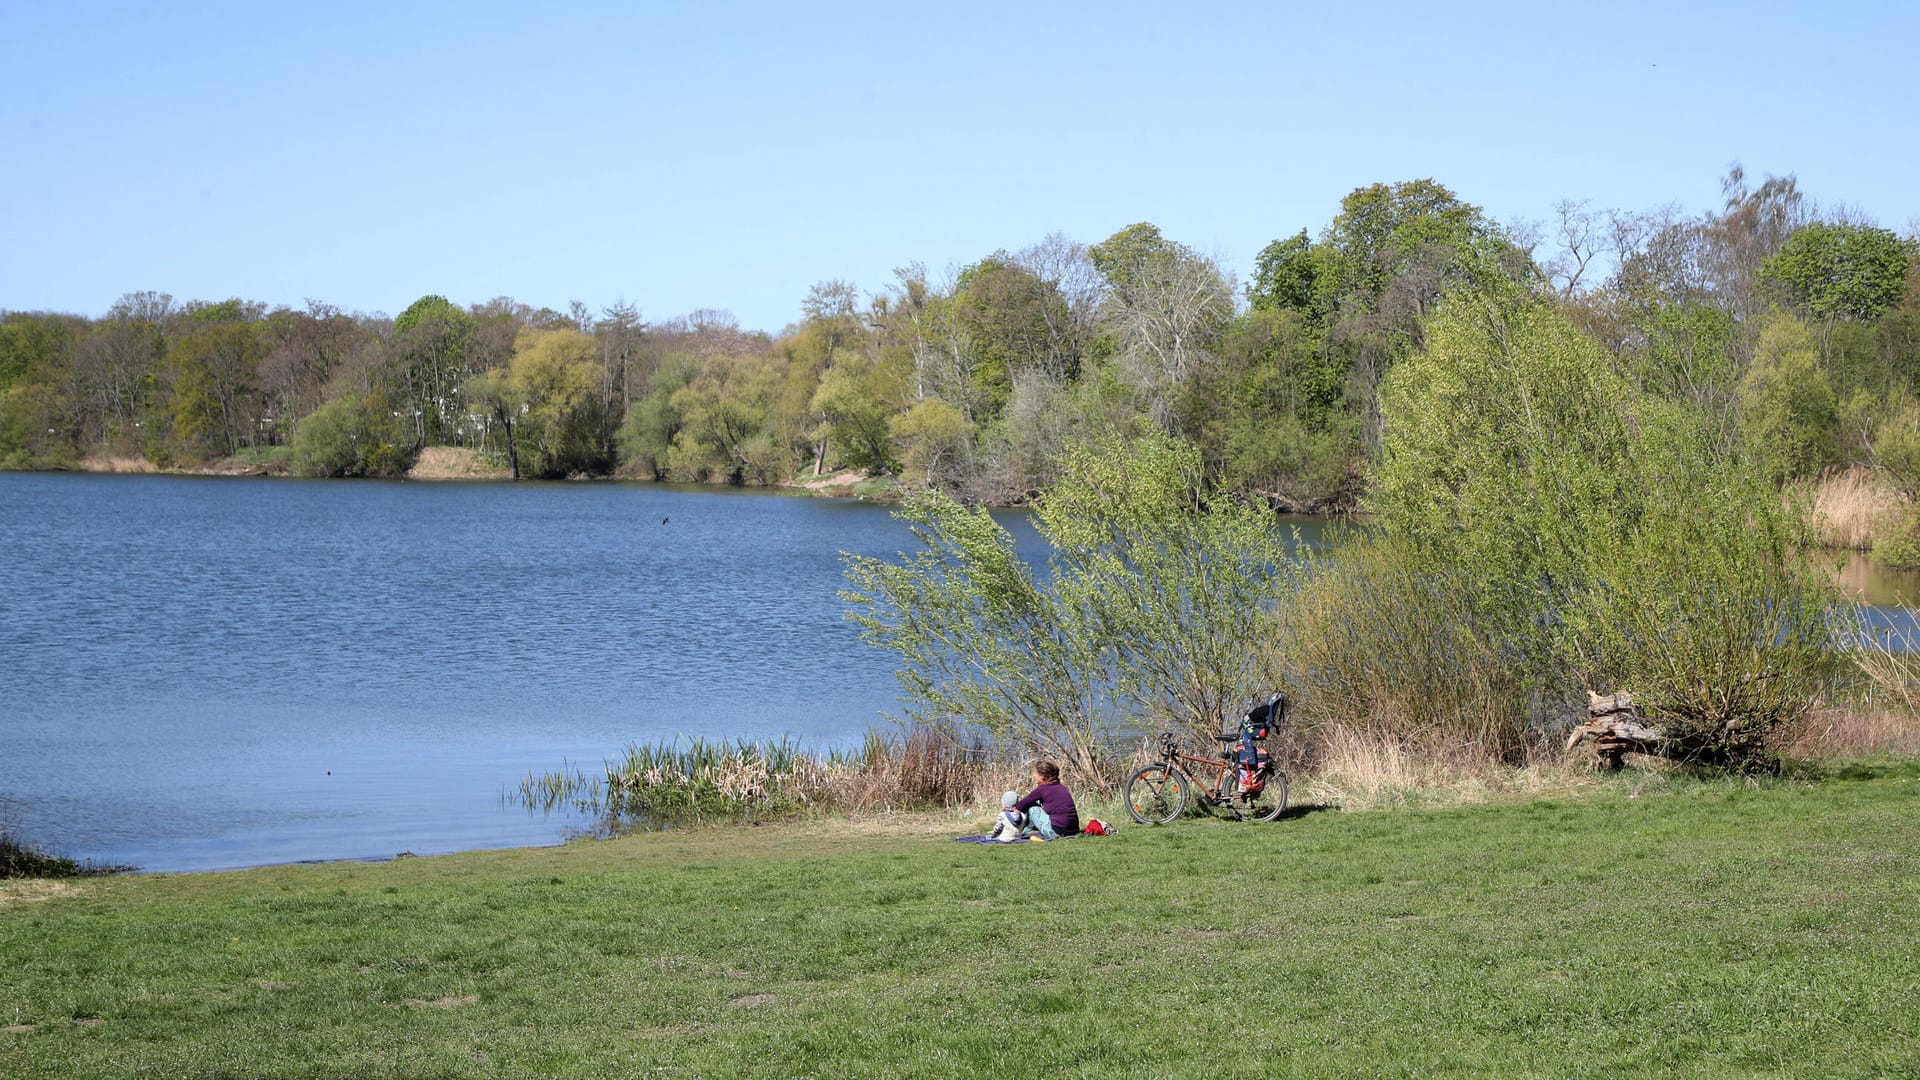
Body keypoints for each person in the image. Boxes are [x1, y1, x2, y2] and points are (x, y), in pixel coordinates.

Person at [1012, 760, 1079, 839]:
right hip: (1073, 831)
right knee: (1035, 802)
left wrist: (1010, 809)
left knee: (1032, 808)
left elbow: (1021, 805)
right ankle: (1024, 830)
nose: (1034, 775)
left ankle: (1016, 830)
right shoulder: (1061, 787)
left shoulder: (1042, 789)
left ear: (1043, 776)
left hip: (1057, 832)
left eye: (1035, 773)